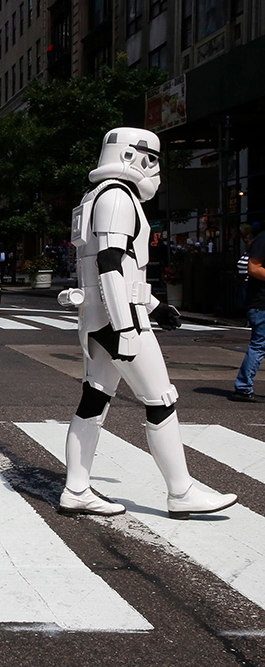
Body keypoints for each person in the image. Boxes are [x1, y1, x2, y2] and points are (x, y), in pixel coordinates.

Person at [59, 127, 236, 519]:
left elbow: (116, 270)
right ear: (131, 157)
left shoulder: (98, 196)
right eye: (151, 159)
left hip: (100, 318)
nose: (155, 169)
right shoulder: (118, 197)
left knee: (95, 400)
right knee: (161, 400)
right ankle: (181, 492)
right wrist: (126, 326)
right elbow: (109, 267)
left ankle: (76, 489)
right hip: (119, 321)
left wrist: (155, 306)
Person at [234, 222, 265, 402]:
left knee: (259, 345)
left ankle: (243, 387)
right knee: (259, 345)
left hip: (260, 304)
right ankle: (243, 387)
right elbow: (253, 268)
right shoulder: (263, 240)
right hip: (261, 304)